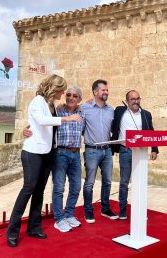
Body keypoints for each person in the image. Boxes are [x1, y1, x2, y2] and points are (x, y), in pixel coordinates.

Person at [6, 74, 68, 247]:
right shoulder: (37, 101)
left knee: (39, 191)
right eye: (61, 89)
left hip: (47, 152)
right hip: (32, 152)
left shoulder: (52, 105)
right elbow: (41, 121)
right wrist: (65, 119)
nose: (63, 92)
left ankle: (34, 227)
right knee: (28, 189)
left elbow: (44, 128)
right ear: (54, 88)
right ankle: (12, 231)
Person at [110, 90, 158, 220]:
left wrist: (154, 149)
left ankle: (141, 209)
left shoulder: (146, 114)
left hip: (141, 152)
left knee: (140, 182)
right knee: (124, 182)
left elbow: (151, 131)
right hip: (125, 151)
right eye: (132, 99)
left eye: (137, 98)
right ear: (127, 101)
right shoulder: (120, 111)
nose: (135, 101)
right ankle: (123, 210)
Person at [82, 79, 117, 223]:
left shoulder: (111, 110)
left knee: (107, 182)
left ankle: (105, 208)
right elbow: (81, 127)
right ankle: (88, 211)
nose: (106, 92)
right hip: (92, 150)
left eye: (107, 90)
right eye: (103, 90)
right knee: (89, 183)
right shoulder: (85, 107)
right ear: (95, 92)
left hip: (107, 151)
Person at [51, 86, 85, 232]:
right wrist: (26, 129)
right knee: (59, 188)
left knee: (76, 187)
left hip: (76, 154)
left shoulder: (82, 112)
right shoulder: (58, 111)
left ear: (79, 99)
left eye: (75, 96)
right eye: (69, 95)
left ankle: (69, 214)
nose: (71, 97)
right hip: (60, 153)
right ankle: (59, 219)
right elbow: (42, 121)